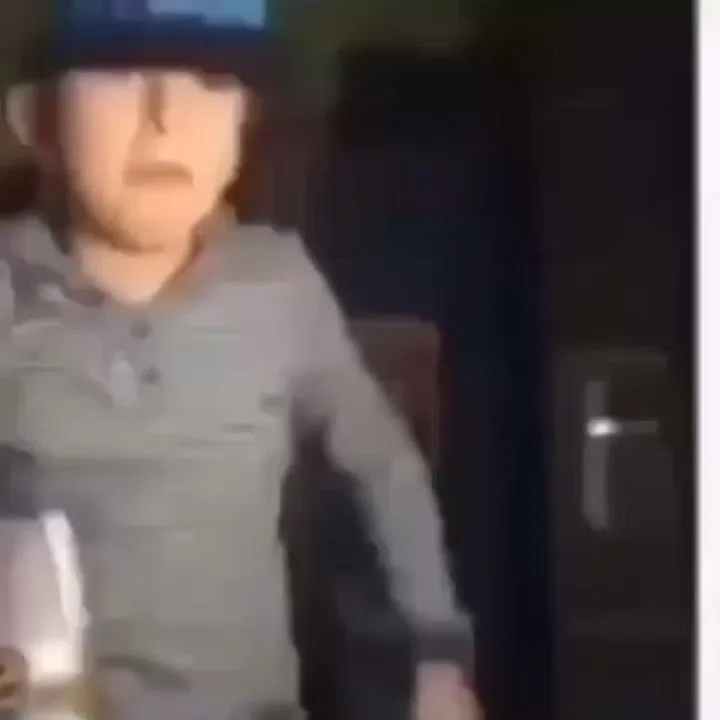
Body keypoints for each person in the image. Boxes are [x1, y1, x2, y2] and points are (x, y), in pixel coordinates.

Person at [0, 5, 478, 719]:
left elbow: (384, 466)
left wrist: (438, 654)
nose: (166, 119)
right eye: (120, 75)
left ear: (244, 125)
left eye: (210, 82)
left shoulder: (280, 284)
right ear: (39, 120)